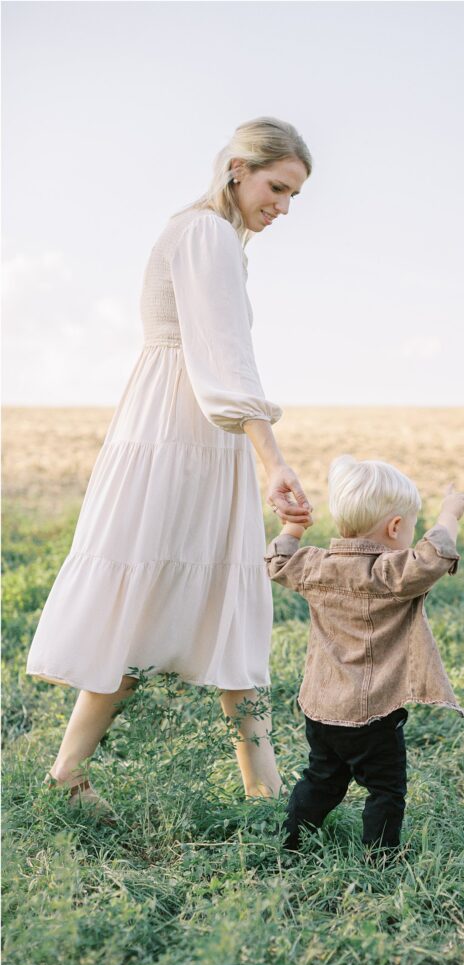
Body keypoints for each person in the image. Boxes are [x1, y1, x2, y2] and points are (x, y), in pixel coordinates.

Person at [27, 116, 313, 813]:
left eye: (294, 197)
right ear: (238, 168)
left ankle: (262, 789)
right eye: (276, 187)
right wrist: (271, 458)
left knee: (225, 596)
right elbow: (223, 354)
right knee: (151, 596)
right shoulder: (205, 232)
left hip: (197, 432)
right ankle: (70, 774)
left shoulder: (214, 239)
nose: (281, 206)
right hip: (178, 436)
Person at [264, 454, 464, 856]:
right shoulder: (392, 575)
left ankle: (287, 844)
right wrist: (450, 514)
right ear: (395, 527)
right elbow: (433, 557)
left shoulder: (315, 566)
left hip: (321, 709)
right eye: (409, 528)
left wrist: (293, 525)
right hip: (375, 713)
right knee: (385, 789)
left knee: (321, 778)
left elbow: (277, 560)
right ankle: (380, 860)